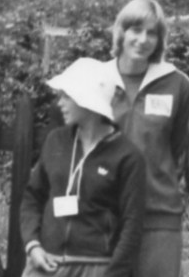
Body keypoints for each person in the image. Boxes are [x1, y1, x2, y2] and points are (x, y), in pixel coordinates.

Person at [93, 0, 189, 277]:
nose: (143, 39)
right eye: (135, 30)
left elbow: (178, 149)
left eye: (152, 33)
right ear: (121, 32)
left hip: (158, 214)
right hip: (103, 213)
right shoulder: (96, 79)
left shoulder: (178, 85)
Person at [19, 59, 146, 277]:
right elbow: (32, 197)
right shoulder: (55, 141)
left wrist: (113, 274)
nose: (59, 103)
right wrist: (33, 246)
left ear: (87, 101)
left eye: (66, 96)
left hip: (96, 267)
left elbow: (132, 226)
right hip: (46, 264)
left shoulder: (128, 156)